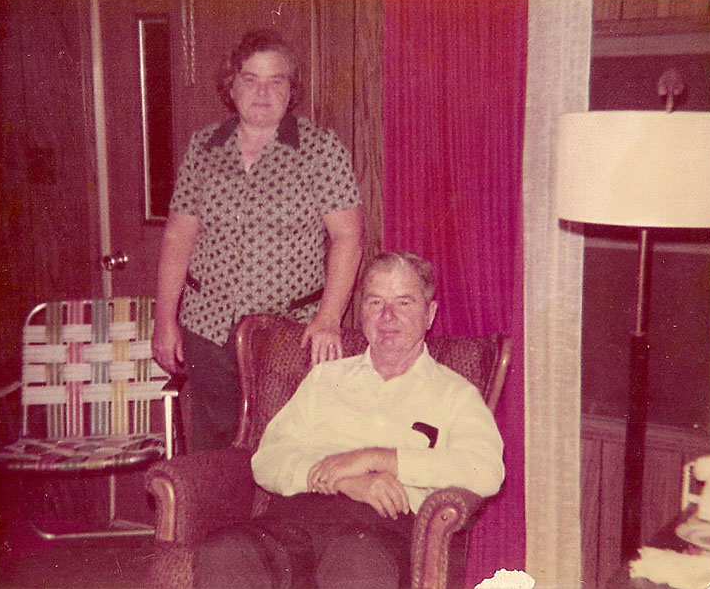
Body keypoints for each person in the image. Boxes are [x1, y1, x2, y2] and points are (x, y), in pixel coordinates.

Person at [194, 251, 505, 589]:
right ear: (361, 311)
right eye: (375, 302)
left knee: (356, 562)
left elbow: (486, 471)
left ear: (429, 314)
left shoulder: (454, 394)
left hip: (381, 530)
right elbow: (267, 459)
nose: (387, 316)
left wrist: (377, 459)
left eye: (404, 303)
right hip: (296, 521)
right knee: (225, 553)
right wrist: (343, 480)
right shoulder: (325, 378)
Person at [152, 29, 364, 449]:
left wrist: (328, 319)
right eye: (250, 79)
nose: (262, 92)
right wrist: (164, 320)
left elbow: (348, 238)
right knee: (215, 447)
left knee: (283, 446)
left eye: (275, 80)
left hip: (288, 330)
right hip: (208, 327)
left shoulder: (321, 150)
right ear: (231, 87)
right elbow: (178, 237)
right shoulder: (204, 148)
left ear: (291, 89)